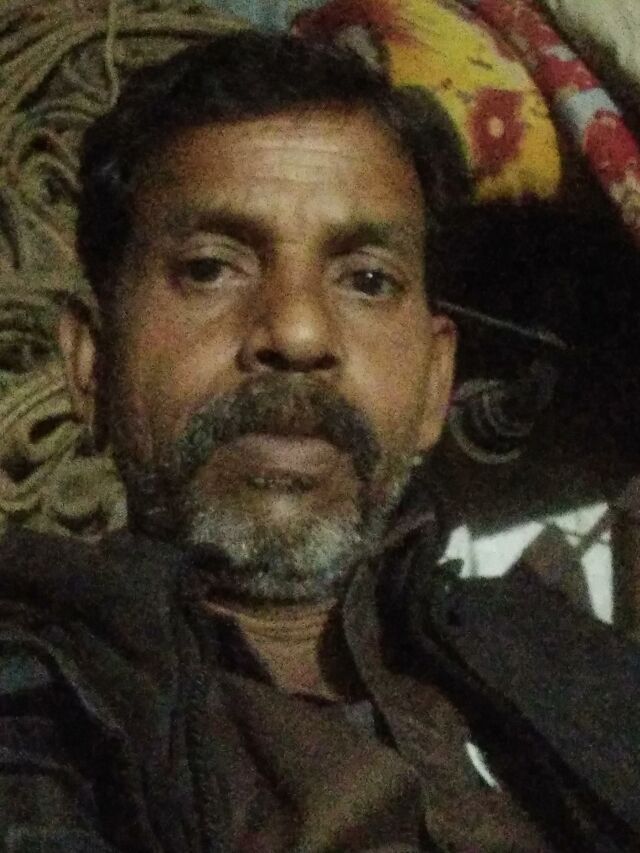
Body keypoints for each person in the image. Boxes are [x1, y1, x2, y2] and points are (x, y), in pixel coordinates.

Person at [0, 30, 638, 853]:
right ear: (91, 361)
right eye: (210, 267)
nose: (299, 332)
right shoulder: (40, 706)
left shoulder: (554, 657)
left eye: (367, 280)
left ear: (436, 382)